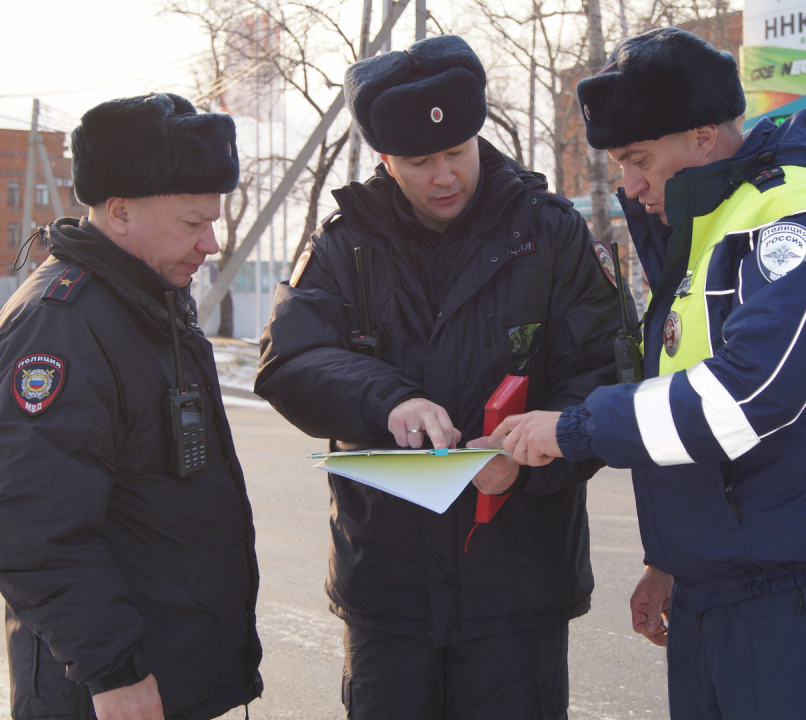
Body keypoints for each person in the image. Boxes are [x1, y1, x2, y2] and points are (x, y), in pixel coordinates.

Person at [479, 28, 806, 720]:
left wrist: (576, 428)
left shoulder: (799, 210)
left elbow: (747, 395)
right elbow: (689, 412)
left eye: (639, 159)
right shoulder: (708, 228)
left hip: (798, 594)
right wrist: (672, 558)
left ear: (704, 137)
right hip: (714, 590)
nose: (631, 184)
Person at [255, 35, 627, 719]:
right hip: (388, 590)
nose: (445, 175)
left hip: (517, 587)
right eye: (421, 161)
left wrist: (531, 460)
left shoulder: (551, 235)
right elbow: (292, 361)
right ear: (384, 158)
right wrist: (387, 401)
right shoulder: (346, 244)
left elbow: (609, 371)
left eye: (457, 151)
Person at [0, 93, 263, 720]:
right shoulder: (62, 326)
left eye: (213, 221)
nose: (210, 242)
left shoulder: (145, 300)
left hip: (167, 673)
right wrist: (113, 671)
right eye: (192, 223)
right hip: (108, 695)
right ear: (121, 212)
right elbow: (26, 520)